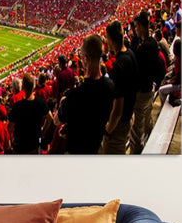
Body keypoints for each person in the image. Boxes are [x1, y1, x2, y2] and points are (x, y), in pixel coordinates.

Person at [56, 34, 115, 154]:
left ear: (85, 59)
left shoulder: (75, 95)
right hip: (98, 146)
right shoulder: (110, 85)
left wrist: (62, 103)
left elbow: (57, 120)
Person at [130, 11, 166, 154]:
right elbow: (158, 69)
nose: (135, 29)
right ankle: (149, 144)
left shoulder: (144, 47)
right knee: (146, 121)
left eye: (137, 26)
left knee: (136, 129)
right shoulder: (152, 43)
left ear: (143, 26)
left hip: (142, 91)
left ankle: (137, 154)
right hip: (149, 89)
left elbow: (136, 71)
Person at [102, 20, 139, 154]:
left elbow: (118, 107)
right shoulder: (131, 54)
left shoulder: (118, 66)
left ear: (110, 39)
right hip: (129, 116)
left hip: (119, 124)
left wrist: (108, 129)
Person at [8, 74, 48, 154]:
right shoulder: (40, 102)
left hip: (20, 147)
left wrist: (10, 143)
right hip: (34, 145)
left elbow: (9, 129)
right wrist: (42, 131)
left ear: (23, 87)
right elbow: (50, 117)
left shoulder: (17, 106)